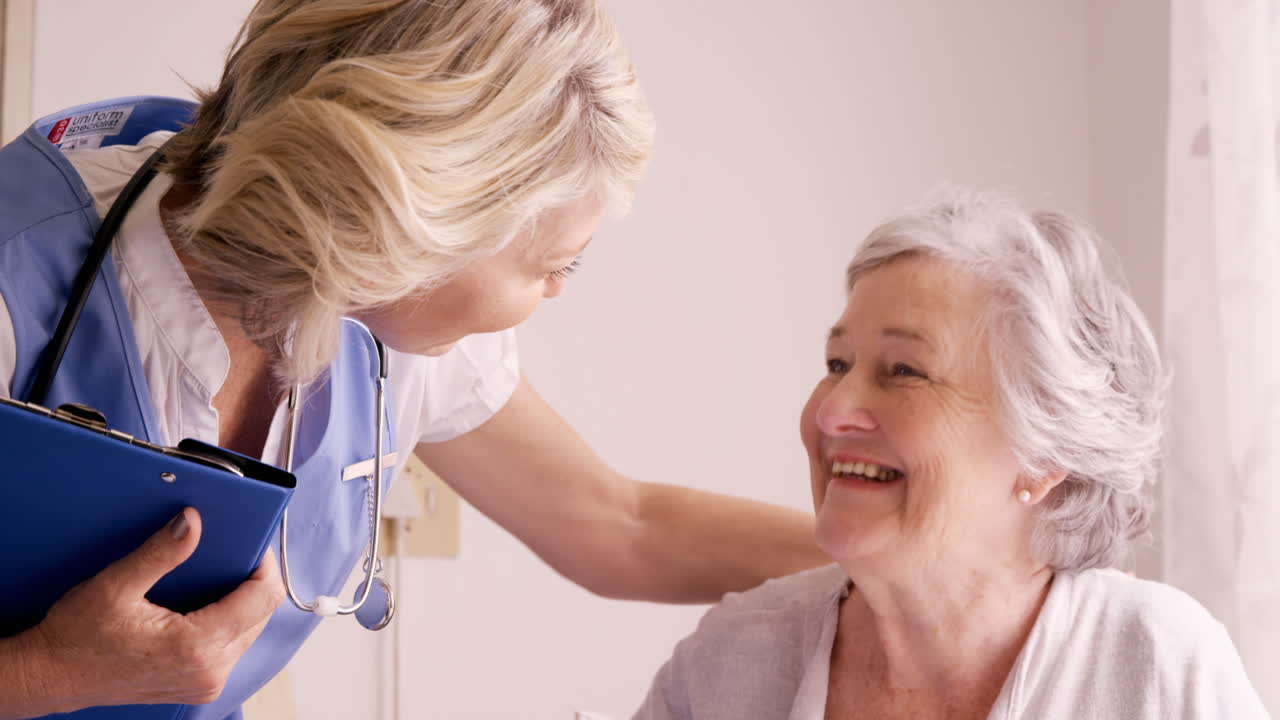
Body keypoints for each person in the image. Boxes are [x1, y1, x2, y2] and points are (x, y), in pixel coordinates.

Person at [0, 1, 825, 718]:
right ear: (403, 230)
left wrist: (889, 558)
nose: (557, 293)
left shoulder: (395, 326)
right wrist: (47, 672)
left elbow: (620, 528)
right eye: (556, 266)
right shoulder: (19, 281)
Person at [632, 190, 1270, 719]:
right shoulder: (730, 664)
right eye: (836, 363)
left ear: (1043, 454)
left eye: (903, 370)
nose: (831, 411)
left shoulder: (1156, 666)